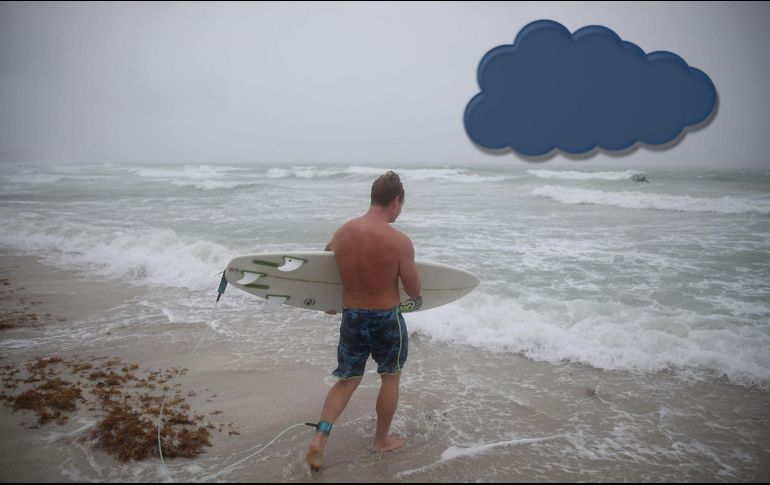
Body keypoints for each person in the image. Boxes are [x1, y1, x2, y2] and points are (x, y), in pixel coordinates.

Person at [305, 171, 421, 471]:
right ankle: (380, 440)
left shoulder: (342, 233)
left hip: (352, 316)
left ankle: (320, 437)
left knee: (346, 381)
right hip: (386, 320)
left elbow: (325, 267)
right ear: (395, 201)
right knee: (390, 376)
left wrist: (328, 305)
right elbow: (414, 290)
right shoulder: (399, 241)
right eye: (401, 204)